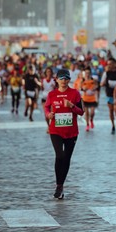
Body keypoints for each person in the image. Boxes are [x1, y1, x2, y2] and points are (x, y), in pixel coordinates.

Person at [44, 69, 84, 199]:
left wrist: (72, 106)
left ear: (69, 80)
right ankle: (58, 184)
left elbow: (81, 112)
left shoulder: (75, 93)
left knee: (66, 159)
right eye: (61, 78)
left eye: (66, 78)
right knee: (59, 156)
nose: (64, 81)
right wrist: (48, 115)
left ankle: (60, 186)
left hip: (71, 132)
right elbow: (46, 107)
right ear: (56, 80)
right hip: (55, 130)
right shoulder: (52, 94)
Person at [101, 58, 116, 134]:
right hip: (109, 94)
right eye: (108, 64)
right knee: (111, 110)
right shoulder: (106, 73)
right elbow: (101, 84)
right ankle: (113, 126)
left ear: (114, 64)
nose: (109, 65)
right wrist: (104, 82)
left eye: (111, 64)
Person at [80, 67, 98, 132]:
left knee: (92, 112)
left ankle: (91, 120)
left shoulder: (93, 80)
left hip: (92, 98)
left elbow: (97, 86)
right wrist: (83, 88)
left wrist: (94, 88)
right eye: (86, 73)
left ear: (90, 73)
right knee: (86, 112)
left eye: (88, 73)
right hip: (85, 98)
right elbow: (80, 88)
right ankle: (87, 124)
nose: (87, 74)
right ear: (85, 73)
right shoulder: (83, 80)